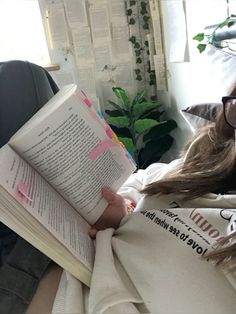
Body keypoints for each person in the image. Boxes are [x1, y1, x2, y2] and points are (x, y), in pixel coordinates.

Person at [49, 96, 236, 313]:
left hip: (55, 289)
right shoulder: (206, 159)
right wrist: (122, 211)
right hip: (68, 242)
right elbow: (142, 181)